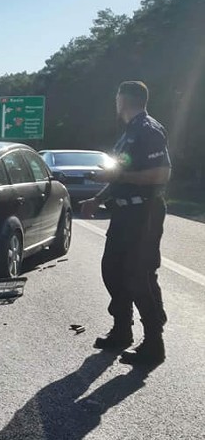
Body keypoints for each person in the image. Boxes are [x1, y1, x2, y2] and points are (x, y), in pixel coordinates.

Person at [80, 81, 171, 366]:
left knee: (137, 276)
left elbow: (161, 174)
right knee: (113, 271)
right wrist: (97, 199)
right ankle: (122, 332)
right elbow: (119, 174)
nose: (115, 102)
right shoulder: (129, 132)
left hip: (143, 214)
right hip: (124, 214)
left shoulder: (148, 129)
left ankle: (154, 343)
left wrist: (118, 178)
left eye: (117, 97)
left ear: (124, 99)